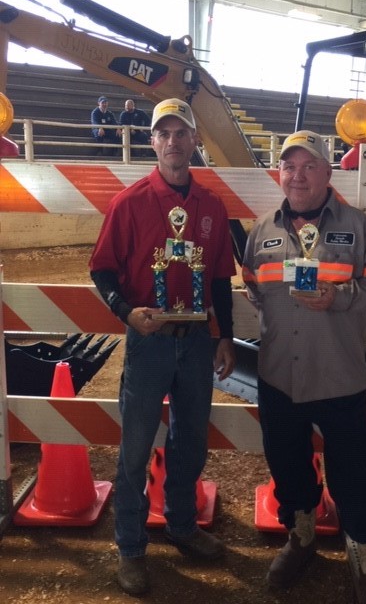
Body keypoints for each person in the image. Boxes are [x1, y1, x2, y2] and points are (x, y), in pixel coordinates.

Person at [242, 130, 366, 602]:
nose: (298, 175)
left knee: (354, 472)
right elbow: (253, 286)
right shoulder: (263, 232)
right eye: (289, 166)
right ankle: (303, 536)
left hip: (339, 375)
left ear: (328, 172)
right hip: (278, 378)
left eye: (309, 166)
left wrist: (340, 297)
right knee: (288, 466)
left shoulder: (357, 226)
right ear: (280, 174)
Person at [89, 97, 236, 596]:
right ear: (153, 142)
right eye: (164, 134)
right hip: (148, 341)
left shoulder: (212, 207)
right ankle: (130, 548)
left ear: (195, 141)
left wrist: (225, 339)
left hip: (196, 343)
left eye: (182, 133)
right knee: (134, 449)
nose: (173, 142)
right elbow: (102, 270)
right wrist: (126, 313)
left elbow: (218, 281)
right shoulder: (128, 204)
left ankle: (180, 525)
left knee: (190, 441)